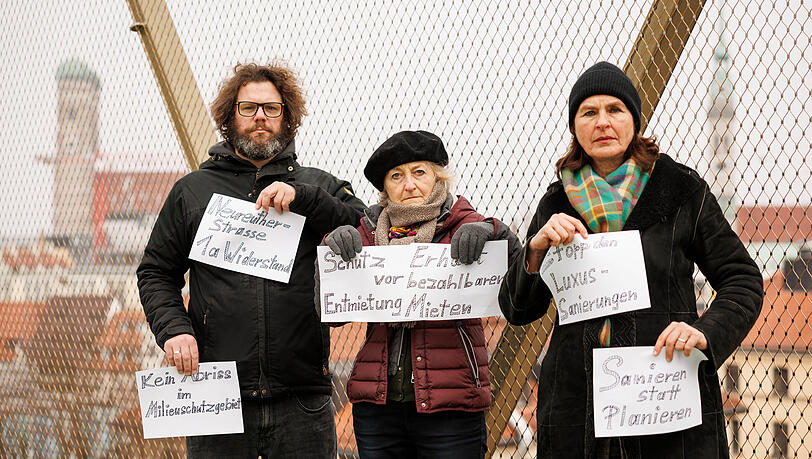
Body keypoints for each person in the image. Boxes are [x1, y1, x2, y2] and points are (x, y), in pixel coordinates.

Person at [498, 62, 763, 458]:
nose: (602, 122)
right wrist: (534, 251)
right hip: (577, 405)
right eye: (589, 112)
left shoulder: (681, 190)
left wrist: (704, 331)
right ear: (575, 127)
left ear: (634, 121)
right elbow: (518, 309)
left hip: (664, 392)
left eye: (615, 110)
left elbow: (742, 280)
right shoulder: (556, 203)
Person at [137, 62, 366, 458]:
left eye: (271, 108)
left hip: (302, 396)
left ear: (288, 117)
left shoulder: (319, 185)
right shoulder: (192, 191)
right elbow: (156, 271)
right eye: (248, 107)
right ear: (230, 116)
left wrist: (306, 198)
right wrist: (174, 330)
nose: (260, 116)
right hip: (216, 394)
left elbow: (364, 232)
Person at [321, 130, 521, 458]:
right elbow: (331, 313)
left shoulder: (466, 226)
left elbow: (519, 289)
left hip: (451, 405)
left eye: (419, 172)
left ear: (437, 177)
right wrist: (331, 252)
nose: (409, 184)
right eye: (396, 176)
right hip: (378, 407)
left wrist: (497, 233)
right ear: (385, 188)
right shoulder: (366, 235)